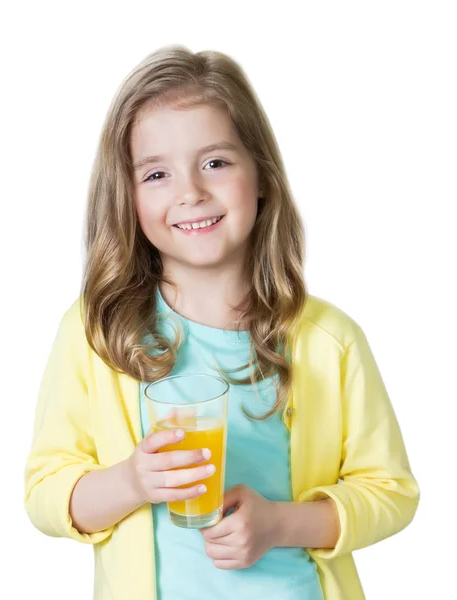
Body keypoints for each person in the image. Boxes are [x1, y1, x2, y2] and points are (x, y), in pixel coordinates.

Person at [24, 44, 420, 600]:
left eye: (215, 162)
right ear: (127, 198)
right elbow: (45, 494)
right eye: (157, 173)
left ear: (261, 176)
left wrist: (282, 524)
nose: (190, 192)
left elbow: (391, 492)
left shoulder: (331, 341)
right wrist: (132, 481)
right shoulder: (98, 332)